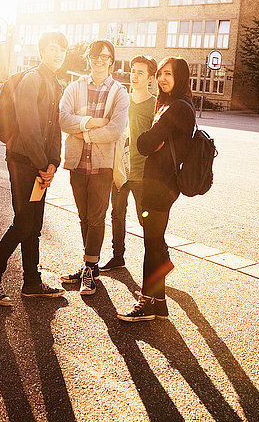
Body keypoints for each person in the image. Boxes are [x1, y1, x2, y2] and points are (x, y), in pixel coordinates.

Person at [0, 31, 68, 306]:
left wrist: (54, 162)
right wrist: (44, 165)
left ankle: (32, 282)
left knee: (34, 224)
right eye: (53, 49)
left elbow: (55, 129)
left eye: (62, 50)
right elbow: (29, 127)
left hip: (39, 165)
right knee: (24, 222)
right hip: (22, 161)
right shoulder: (32, 80)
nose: (58, 54)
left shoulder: (55, 83)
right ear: (42, 52)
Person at [117, 56, 195, 322]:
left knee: (152, 243)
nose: (162, 78)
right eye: (161, 73)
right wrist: (154, 139)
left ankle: (146, 302)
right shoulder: (174, 105)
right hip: (159, 182)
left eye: (169, 75)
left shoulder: (177, 108)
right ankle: (159, 302)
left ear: (180, 78)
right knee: (153, 240)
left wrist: (152, 138)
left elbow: (144, 144)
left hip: (161, 185)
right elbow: (152, 142)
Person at [59, 39, 130, 295]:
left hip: (102, 165)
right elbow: (62, 119)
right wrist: (91, 121)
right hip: (77, 163)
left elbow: (115, 130)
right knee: (83, 216)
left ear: (112, 60)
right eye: (95, 55)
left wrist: (83, 133)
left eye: (105, 56)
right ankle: (91, 263)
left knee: (96, 217)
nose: (100, 60)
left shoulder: (119, 92)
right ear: (89, 58)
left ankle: (89, 267)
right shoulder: (75, 87)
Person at [99, 55, 157, 271]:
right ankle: (117, 256)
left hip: (143, 174)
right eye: (133, 70)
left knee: (147, 221)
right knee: (116, 215)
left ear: (151, 77)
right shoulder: (122, 100)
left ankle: (159, 258)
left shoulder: (154, 105)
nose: (134, 75)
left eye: (140, 72)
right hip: (120, 169)